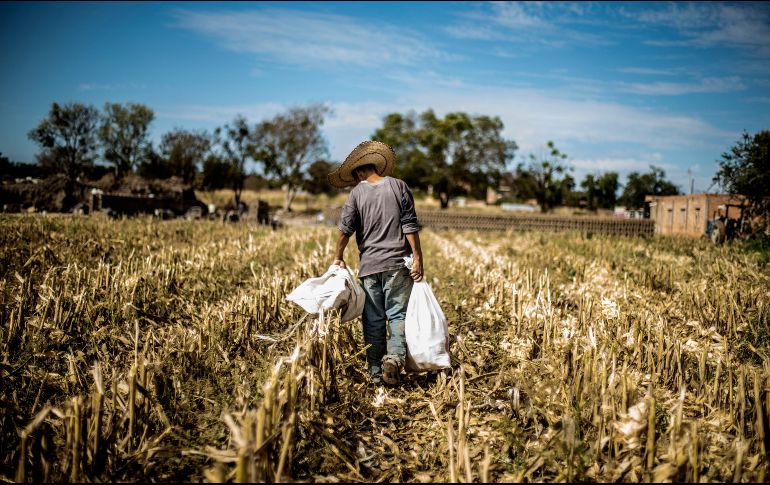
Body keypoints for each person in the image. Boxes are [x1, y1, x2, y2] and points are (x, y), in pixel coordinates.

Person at [328, 140, 424, 386]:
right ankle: (393, 359)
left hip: (370, 266)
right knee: (398, 314)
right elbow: (410, 226)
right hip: (398, 264)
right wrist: (418, 259)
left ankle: (374, 371)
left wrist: (338, 257)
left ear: (360, 171)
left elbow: (344, 231)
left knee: (373, 319)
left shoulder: (357, 193)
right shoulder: (399, 186)